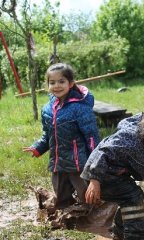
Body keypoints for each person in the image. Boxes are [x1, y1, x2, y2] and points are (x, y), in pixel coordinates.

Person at [80, 112, 144, 240]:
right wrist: (95, 180)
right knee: (133, 197)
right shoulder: (128, 139)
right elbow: (103, 152)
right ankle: (134, 236)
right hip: (101, 175)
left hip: (116, 176)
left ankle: (121, 231)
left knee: (132, 198)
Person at [23, 63, 100, 211]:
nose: (57, 86)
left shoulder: (80, 108)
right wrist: (37, 147)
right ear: (47, 85)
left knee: (86, 193)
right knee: (60, 193)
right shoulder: (47, 110)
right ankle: (67, 216)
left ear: (70, 83)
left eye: (61, 81)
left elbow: (91, 137)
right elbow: (48, 135)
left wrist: (96, 160)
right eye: (52, 82)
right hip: (57, 162)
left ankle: (92, 214)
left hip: (78, 163)